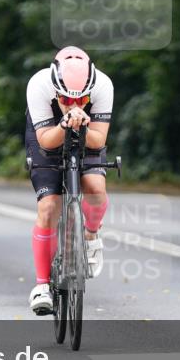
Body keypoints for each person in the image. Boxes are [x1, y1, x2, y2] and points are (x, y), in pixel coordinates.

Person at [24, 46, 113, 314]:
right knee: (49, 206)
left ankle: (91, 235)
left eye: (82, 99)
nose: (74, 104)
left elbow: (98, 141)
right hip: (48, 134)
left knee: (96, 188)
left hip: (87, 135)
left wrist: (83, 123)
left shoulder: (103, 86)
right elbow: (46, 143)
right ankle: (42, 285)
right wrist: (64, 124)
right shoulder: (39, 85)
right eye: (65, 98)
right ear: (55, 90)